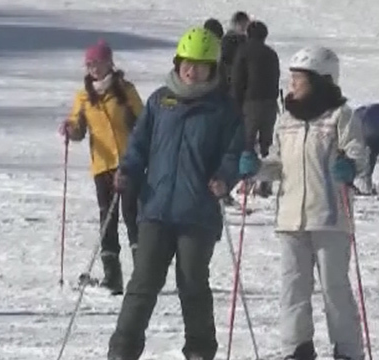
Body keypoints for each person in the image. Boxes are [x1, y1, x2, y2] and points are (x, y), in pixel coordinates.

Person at [106, 27, 256, 360]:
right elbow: (139, 145)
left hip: (197, 214)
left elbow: (233, 153)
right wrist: (128, 170)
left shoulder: (222, 108)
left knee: (192, 286)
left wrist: (224, 177)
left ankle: (200, 351)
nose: (192, 71)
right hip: (156, 208)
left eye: (200, 65)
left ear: (212, 68)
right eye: (187, 63)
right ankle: (122, 350)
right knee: (142, 284)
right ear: (178, 63)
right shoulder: (160, 101)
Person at [265, 46, 366, 360]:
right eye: (292, 77)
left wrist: (349, 167)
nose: (293, 83)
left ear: (321, 80)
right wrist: (255, 167)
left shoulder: (340, 115)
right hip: (290, 218)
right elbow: (277, 161)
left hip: (330, 217)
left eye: (299, 78)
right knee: (292, 289)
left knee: (335, 290)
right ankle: (297, 349)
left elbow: (358, 153)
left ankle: (347, 351)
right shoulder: (287, 118)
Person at [59, 40, 144, 295]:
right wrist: (71, 129)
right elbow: (78, 127)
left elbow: (143, 123)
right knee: (107, 219)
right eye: (89, 64)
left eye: (97, 63)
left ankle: (143, 275)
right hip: (102, 165)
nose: (93, 68)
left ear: (109, 63)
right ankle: (112, 276)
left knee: (132, 216)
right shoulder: (83, 96)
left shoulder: (126, 91)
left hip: (129, 163)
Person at [231, 20, 280, 198]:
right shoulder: (271, 54)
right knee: (266, 143)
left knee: (247, 143)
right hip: (270, 102)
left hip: (250, 103)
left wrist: (234, 104)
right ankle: (265, 184)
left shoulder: (243, 52)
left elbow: (237, 80)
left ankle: (246, 181)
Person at [220, 11, 250, 85]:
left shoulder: (246, 40)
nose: (244, 28)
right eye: (241, 24)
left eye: (245, 25)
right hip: (230, 80)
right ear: (235, 24)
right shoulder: (227, 40)